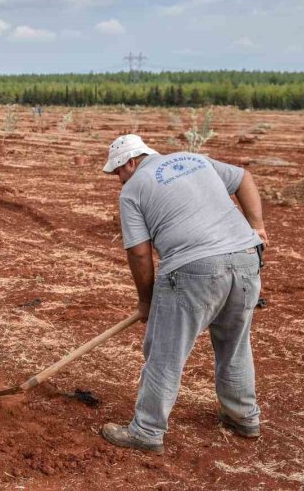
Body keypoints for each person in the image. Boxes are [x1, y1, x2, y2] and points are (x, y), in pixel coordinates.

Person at [98, 134, 267, 454]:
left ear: (131, 162)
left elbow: (138, 253)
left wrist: (146, 300)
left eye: (117, 171)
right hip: (247, 258)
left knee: (165, 350)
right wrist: (256, 227)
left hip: (193, 269)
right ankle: (243, 416)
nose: (118, 180)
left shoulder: (132, 190)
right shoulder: (194, 159)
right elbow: (244, 176)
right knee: (235, 343)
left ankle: (146, 430)